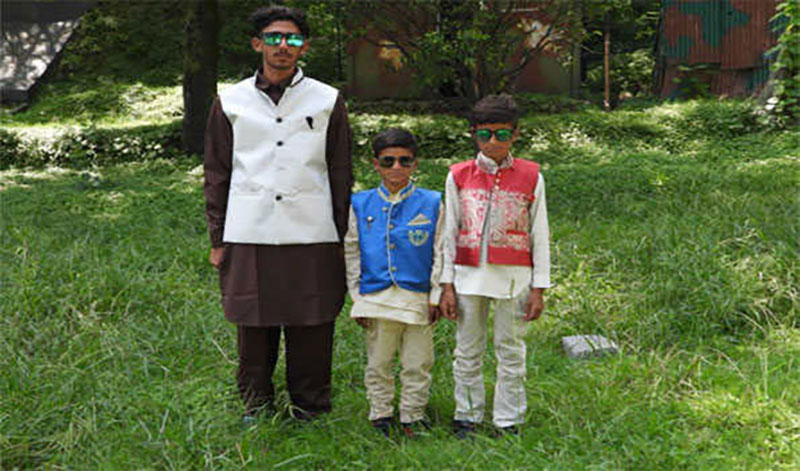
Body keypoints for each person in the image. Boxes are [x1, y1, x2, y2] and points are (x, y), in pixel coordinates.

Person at [203, 5, 352, 422]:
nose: (282, 45)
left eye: (292, 38)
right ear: (257, 44)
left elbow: (340, 170)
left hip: (313, 228)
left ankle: (311, 406)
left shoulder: (327, 100)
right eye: (273, 37)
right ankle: (256, 406)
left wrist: (342, 235)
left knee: (313, 319)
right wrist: (218, 237)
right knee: (253, 322)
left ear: (304, 47)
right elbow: (217, 172)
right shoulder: (231, 101)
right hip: (248, 228)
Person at [439, 94, 550, 437]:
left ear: (515, 134)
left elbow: (540, 234)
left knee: (511, 350)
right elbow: (448, 233)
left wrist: (539, 287)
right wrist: (445, 284)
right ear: (474, 134)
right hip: (467, 277)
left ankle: (508, 419)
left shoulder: (532, 176)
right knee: (467, 350)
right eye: (485, 134)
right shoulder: (458, 175)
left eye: (502, 134)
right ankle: (467, 416)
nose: (493, 142)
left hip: (514, 279)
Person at [344, 128, 444, 438]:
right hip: (376, 295)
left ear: (415, 163)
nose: (396, 167)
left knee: (418, 361)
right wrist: (357, 296)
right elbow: (351, 250)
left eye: (404, 161)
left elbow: (441, 250)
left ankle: (413, 415)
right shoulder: (360, 204)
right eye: (388, 161)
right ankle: (381, 414)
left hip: (417, 296)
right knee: (379, 361)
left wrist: (436, 295)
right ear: (376, 164)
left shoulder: (432, 202)